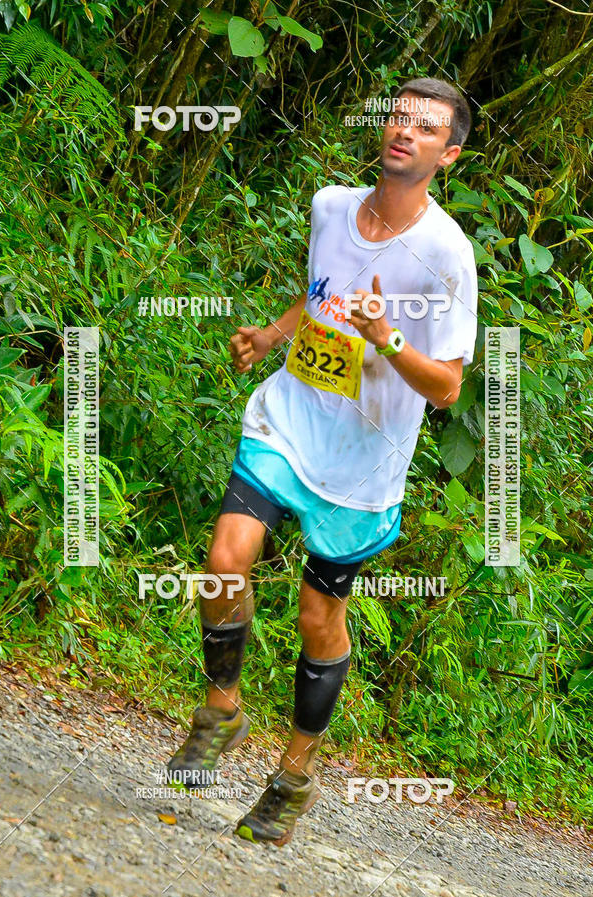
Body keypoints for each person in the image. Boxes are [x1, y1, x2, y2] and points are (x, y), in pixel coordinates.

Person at [167, 77, 478, 847]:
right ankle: (222, 707)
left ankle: (294, 773)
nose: (404, 130)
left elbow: (447, 386)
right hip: (289, 417)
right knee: (224, 558)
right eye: (398, 116)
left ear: (448, 154)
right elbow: (320, 292)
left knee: (317, 617)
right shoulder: (330, 206)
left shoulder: (447, 255)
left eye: (426, 127)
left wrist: (387, 338)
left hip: (362, 462)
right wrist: (272, 335)